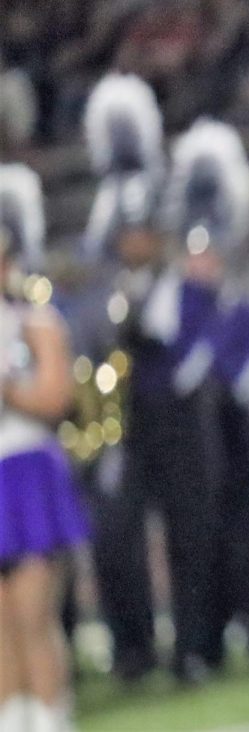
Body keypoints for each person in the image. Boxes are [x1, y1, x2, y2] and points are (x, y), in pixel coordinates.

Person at [0, 165, 89, 732]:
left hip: (28, 471)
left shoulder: (35, 321)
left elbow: (58, 397)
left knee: (34, 616)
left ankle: (52, 719)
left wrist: (7, 386)